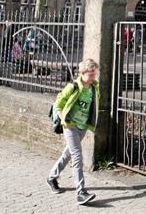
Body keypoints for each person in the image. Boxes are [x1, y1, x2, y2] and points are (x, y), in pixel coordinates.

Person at [47, 58, 100, 205]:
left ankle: (52, 177)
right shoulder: (74, 87)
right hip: (70, 125)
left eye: (94, 74)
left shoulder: (94, 87)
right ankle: (81, 192)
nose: (93, 77)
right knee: (77, 156)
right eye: (90, 74)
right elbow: (59, 102)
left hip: (82, 127)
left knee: (68, 153)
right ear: (82, 73)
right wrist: (62, 116)